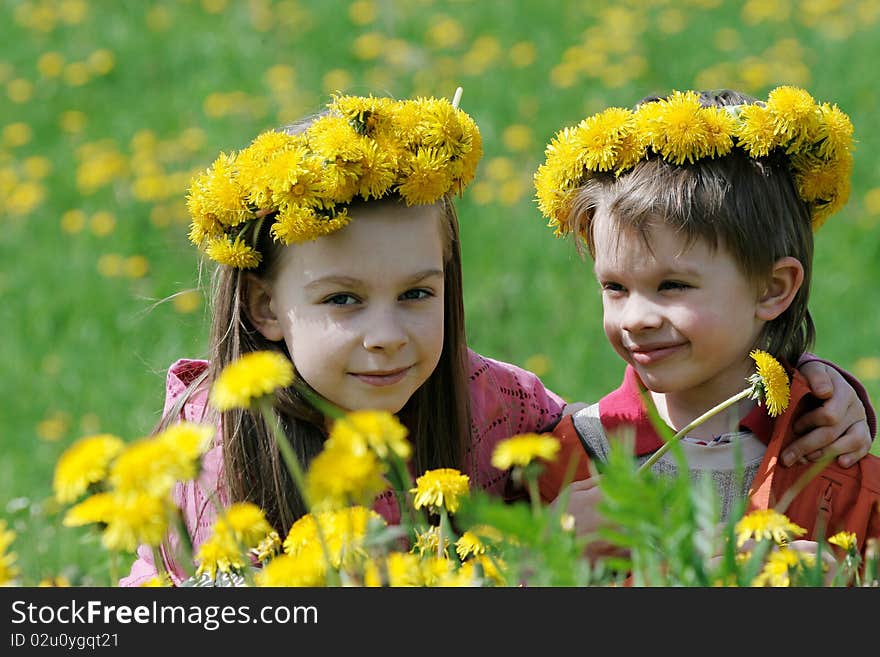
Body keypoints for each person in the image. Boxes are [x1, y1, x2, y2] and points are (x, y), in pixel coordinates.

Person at [121, 91, 872, 586]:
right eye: (344, 299)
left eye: (418, 293)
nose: (387, 337)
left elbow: (652, 420)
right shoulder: (213, 453)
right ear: (264, 306)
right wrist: (531, 556)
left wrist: (804, 379)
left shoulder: (496, 405)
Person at [534, 87, 880, 566]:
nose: (635, 317)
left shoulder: (834, 462)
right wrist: (550, 557)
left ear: (773, 289)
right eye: (614, 287)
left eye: (672, 285)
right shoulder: (571, 461)